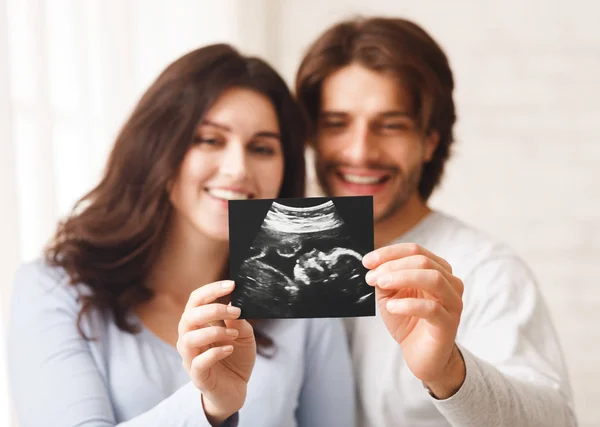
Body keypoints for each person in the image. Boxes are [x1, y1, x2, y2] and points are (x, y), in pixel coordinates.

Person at [7, 43, 355, 427]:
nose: (238, 169)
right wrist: (207, 407)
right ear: (157, 147)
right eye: (209, 140)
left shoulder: (305, 300)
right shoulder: (53, 289)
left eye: (261, 148)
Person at [295, 16, 578, 427]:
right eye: (336, 124)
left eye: (390, 125)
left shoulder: (486, 271)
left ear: (429, 140)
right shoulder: (277, 259)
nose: (359, 152)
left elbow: (557, 421)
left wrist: (448, 371)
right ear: (311, 136)